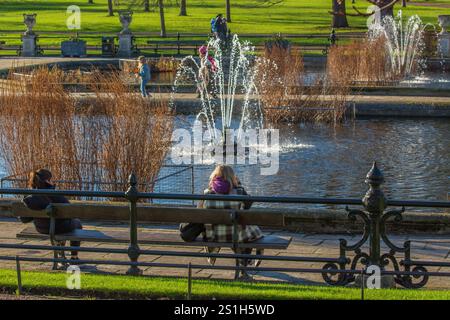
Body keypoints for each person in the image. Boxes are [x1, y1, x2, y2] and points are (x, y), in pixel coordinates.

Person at [198, 165, 263, 280]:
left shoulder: (207, 193)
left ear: (215, 176)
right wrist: (238, 184)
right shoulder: (239, 192)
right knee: (247, 232)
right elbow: (248, 205)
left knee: (242, 230)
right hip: (237, 236)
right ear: (232, 177)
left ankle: (244, 263)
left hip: (214, 236)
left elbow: (199, 212)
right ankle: (244, 270)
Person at [21, 169, 83, 262]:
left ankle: (60, 250)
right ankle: (74, 257)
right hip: (60, 228)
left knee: (64, 224)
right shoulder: (56, 195)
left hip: (42, 228)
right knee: (77, 223)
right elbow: (70, 213)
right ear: (47, 181)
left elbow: (24, 219)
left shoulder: (29, 198)